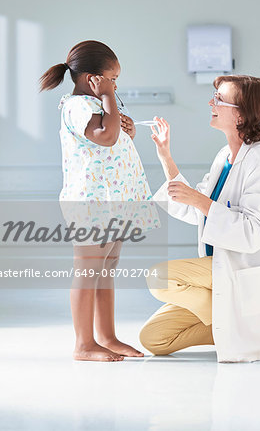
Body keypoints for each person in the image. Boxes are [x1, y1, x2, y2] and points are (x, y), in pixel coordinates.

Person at [140, 75, 260, 363]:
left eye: (219, 99)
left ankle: (237, 321)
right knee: (154, 338)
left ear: (241, 114)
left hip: (247, 268)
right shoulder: (224, 157)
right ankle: (231, 327)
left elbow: (253, 234)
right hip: (221, 268)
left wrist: (200, 200)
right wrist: (166, 156)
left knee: (159, 277)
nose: (210, 103)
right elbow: (195, 209)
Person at [40, 40, 158, 361]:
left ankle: (106, 336)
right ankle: (83, 343)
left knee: (106, 268)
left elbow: (112, 137)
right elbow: (104, 136)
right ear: (93, 78)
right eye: (111, 79)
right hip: (89, 202)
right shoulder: (76, 105)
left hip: (114, 200)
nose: (115, 86)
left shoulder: (98, 105)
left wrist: (126, 129)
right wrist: (108, 99)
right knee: (89, 268)